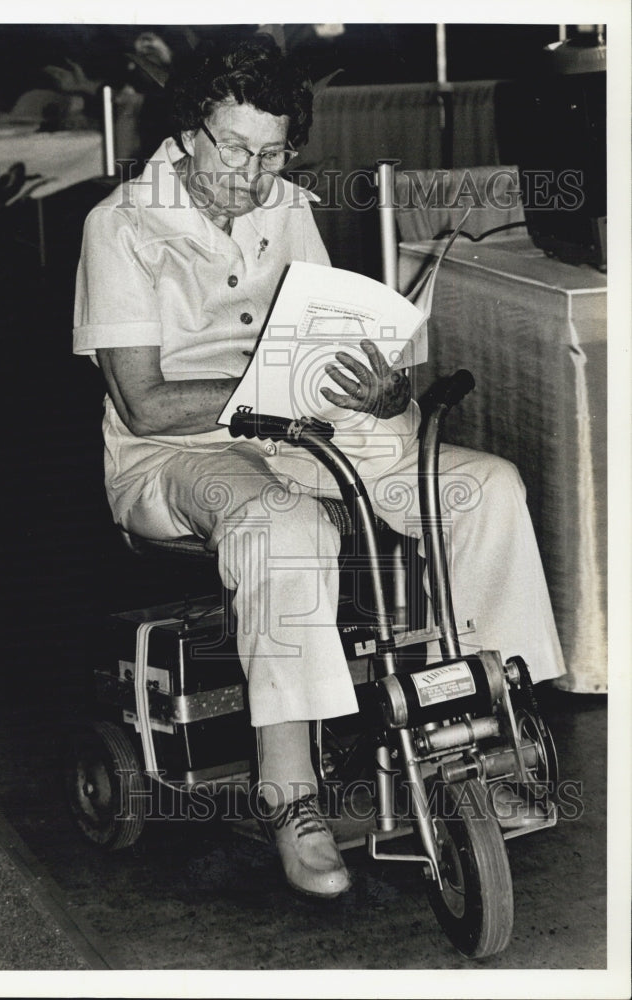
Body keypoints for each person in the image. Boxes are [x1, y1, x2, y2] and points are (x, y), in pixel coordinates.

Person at [73, 35, 565, 899]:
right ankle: (290, 793)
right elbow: (146, 402)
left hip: (297, 427)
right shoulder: (119, 226)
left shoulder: (284, 204)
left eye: (272, 154)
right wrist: (275, 393)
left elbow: (320, 337)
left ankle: (488, 737)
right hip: (174, 455)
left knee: (485, 487)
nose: (251, 176)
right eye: (233, 150)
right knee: (282, 524)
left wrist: (375, 392)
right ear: (189, 132)